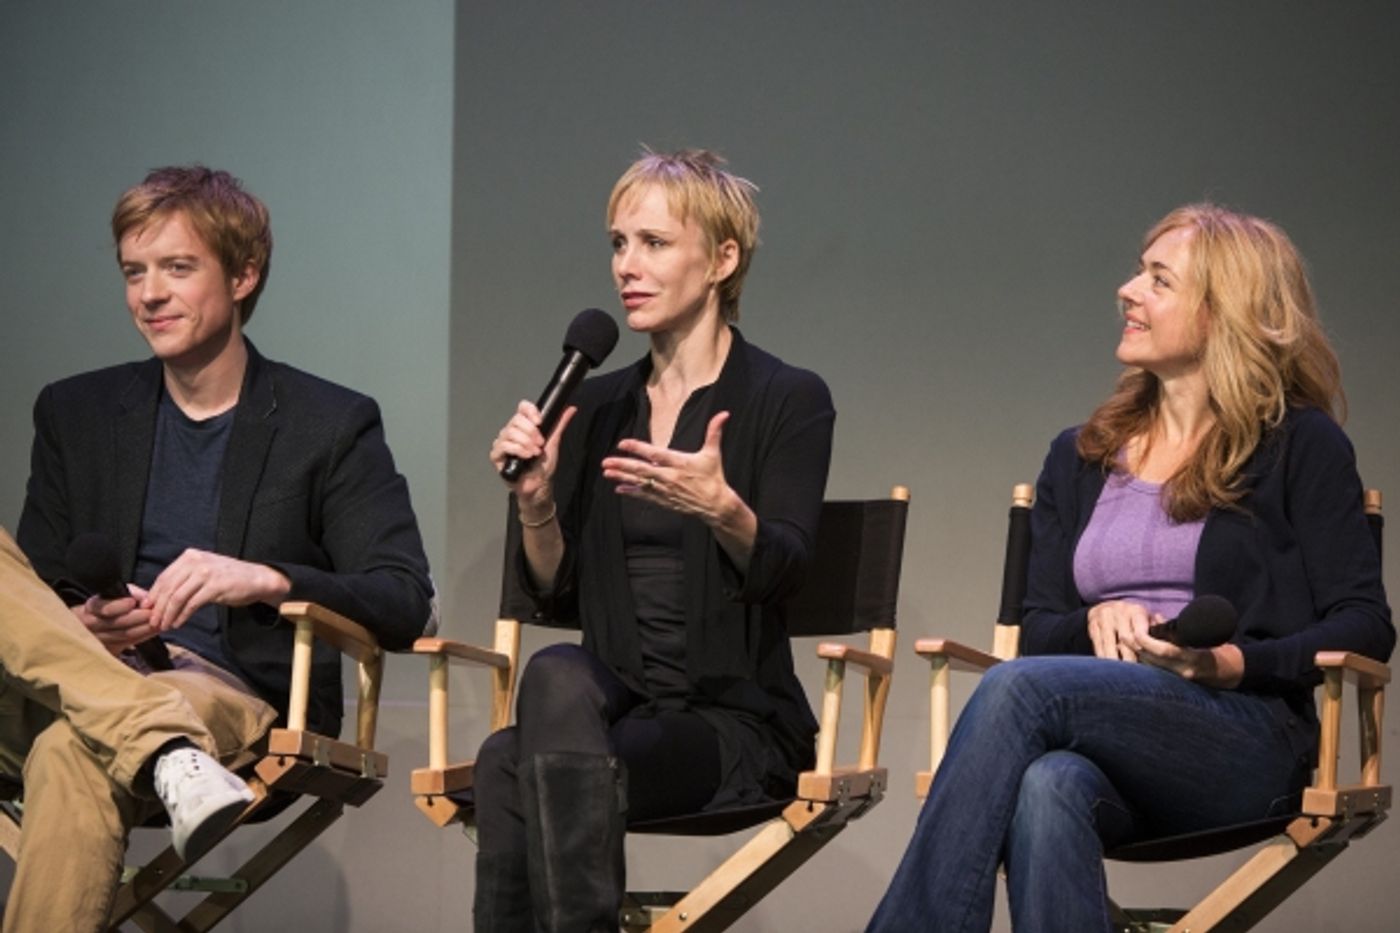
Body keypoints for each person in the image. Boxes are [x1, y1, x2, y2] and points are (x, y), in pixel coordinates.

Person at [868, 204, 1394, 932]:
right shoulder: (1080, 455)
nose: (1127, 290)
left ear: (1222, 312)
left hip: (1241, 734)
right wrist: (1091, 622)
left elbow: (1366, 625)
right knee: (1048, 785)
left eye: (1157, 279)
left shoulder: (1301, 446)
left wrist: (1231, 661)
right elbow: (1042, 625)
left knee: (1016, 691)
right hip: (1105, 736)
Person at [3, 166, 436, 933]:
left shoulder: (326, 423)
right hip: (78, 676)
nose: (149, 295)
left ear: (243, 274)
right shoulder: (77, 410)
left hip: (220, 683)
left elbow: (403, 596)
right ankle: (162, 747)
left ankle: (159, 739)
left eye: (177, 268)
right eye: (134, 272)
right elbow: (39, 581)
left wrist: (262, 577)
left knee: (74, 749)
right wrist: (80, 620)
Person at [478, 149, 835, 931]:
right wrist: (536, 504)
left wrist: (722, 510)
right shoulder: (598, 404)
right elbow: (555, 591)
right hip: (611, 702)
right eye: (617, 243)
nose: (626, 268)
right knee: (554, 670)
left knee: (507, 765)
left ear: (723, 259)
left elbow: (787, 569)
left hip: (730, 723)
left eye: (653, 242)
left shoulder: (786, 398)